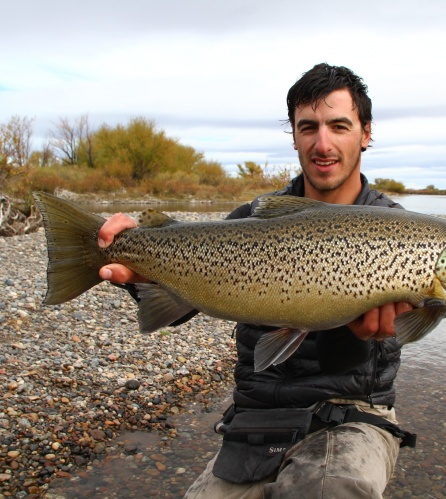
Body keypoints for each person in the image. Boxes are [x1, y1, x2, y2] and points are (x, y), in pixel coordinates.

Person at [97, 63, 415, 498]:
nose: (323, 144)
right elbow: (181, 305)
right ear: (294, 134)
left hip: (352, 416)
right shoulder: (252, 219)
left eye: (339, 126)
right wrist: (136, 273)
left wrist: (356, 333)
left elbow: (345, 365)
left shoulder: (397, 233)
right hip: (256, 417)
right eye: (309, 128)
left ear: (365, 132)